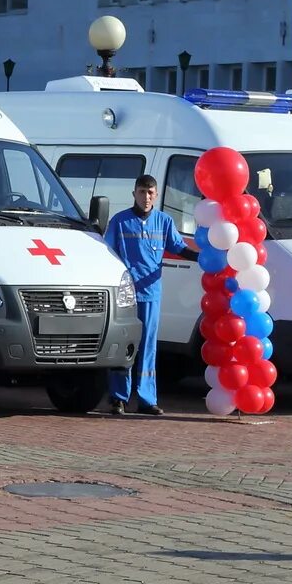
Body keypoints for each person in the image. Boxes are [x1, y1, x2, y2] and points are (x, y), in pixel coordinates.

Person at [101, 174, 184, 415]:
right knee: (124, 345)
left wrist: (204, 259)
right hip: (125, 296)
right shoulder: (120, 221)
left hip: (152, 295)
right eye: (141, 192)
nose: (146, 197)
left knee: (148, 347)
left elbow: (178, 247)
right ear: (134, 193)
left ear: (156, 195)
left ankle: (148, 399)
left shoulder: (164, 221)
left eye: (150, 193)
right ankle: (118, 398)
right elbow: (108, 253)